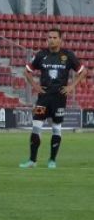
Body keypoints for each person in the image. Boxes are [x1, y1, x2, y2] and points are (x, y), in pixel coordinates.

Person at [20, 27, 86, 169]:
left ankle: (52, 160)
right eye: (49, 37)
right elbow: (26, 71)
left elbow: (83, 71)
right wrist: (35, 86)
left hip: (59, 98)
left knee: (56, 128)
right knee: (36, 127)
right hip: (43, 98)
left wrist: (71, 86)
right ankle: (32, 160)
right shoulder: (41, 55)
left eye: (54, 37)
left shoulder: (68, 55)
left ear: (60, 40)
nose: (51, 40)